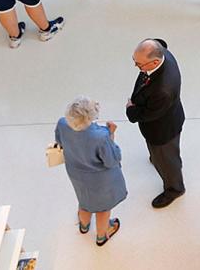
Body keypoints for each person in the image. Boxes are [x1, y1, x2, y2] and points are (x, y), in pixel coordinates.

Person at [54, 97, 127, 246]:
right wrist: (111, 134)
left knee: (84, 201)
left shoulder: (62, 124)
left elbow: (60, 141)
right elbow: (112, 160)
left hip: (77, 175)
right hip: (101, 181)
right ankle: (102, 234)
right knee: (103, 209)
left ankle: (84, 225)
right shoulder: (101, 136)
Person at [126, 38, 186, 208]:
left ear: (154, 62)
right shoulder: (163, 52)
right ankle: (160, 159)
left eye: (140, 65)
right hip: (169, 116)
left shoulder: (163, 90)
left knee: (166, 159)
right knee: (164, 156)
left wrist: (131, 109)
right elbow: (162, 42)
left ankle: (175, 188)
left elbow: (147, 114)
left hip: (162, 130)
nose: (137, 67)